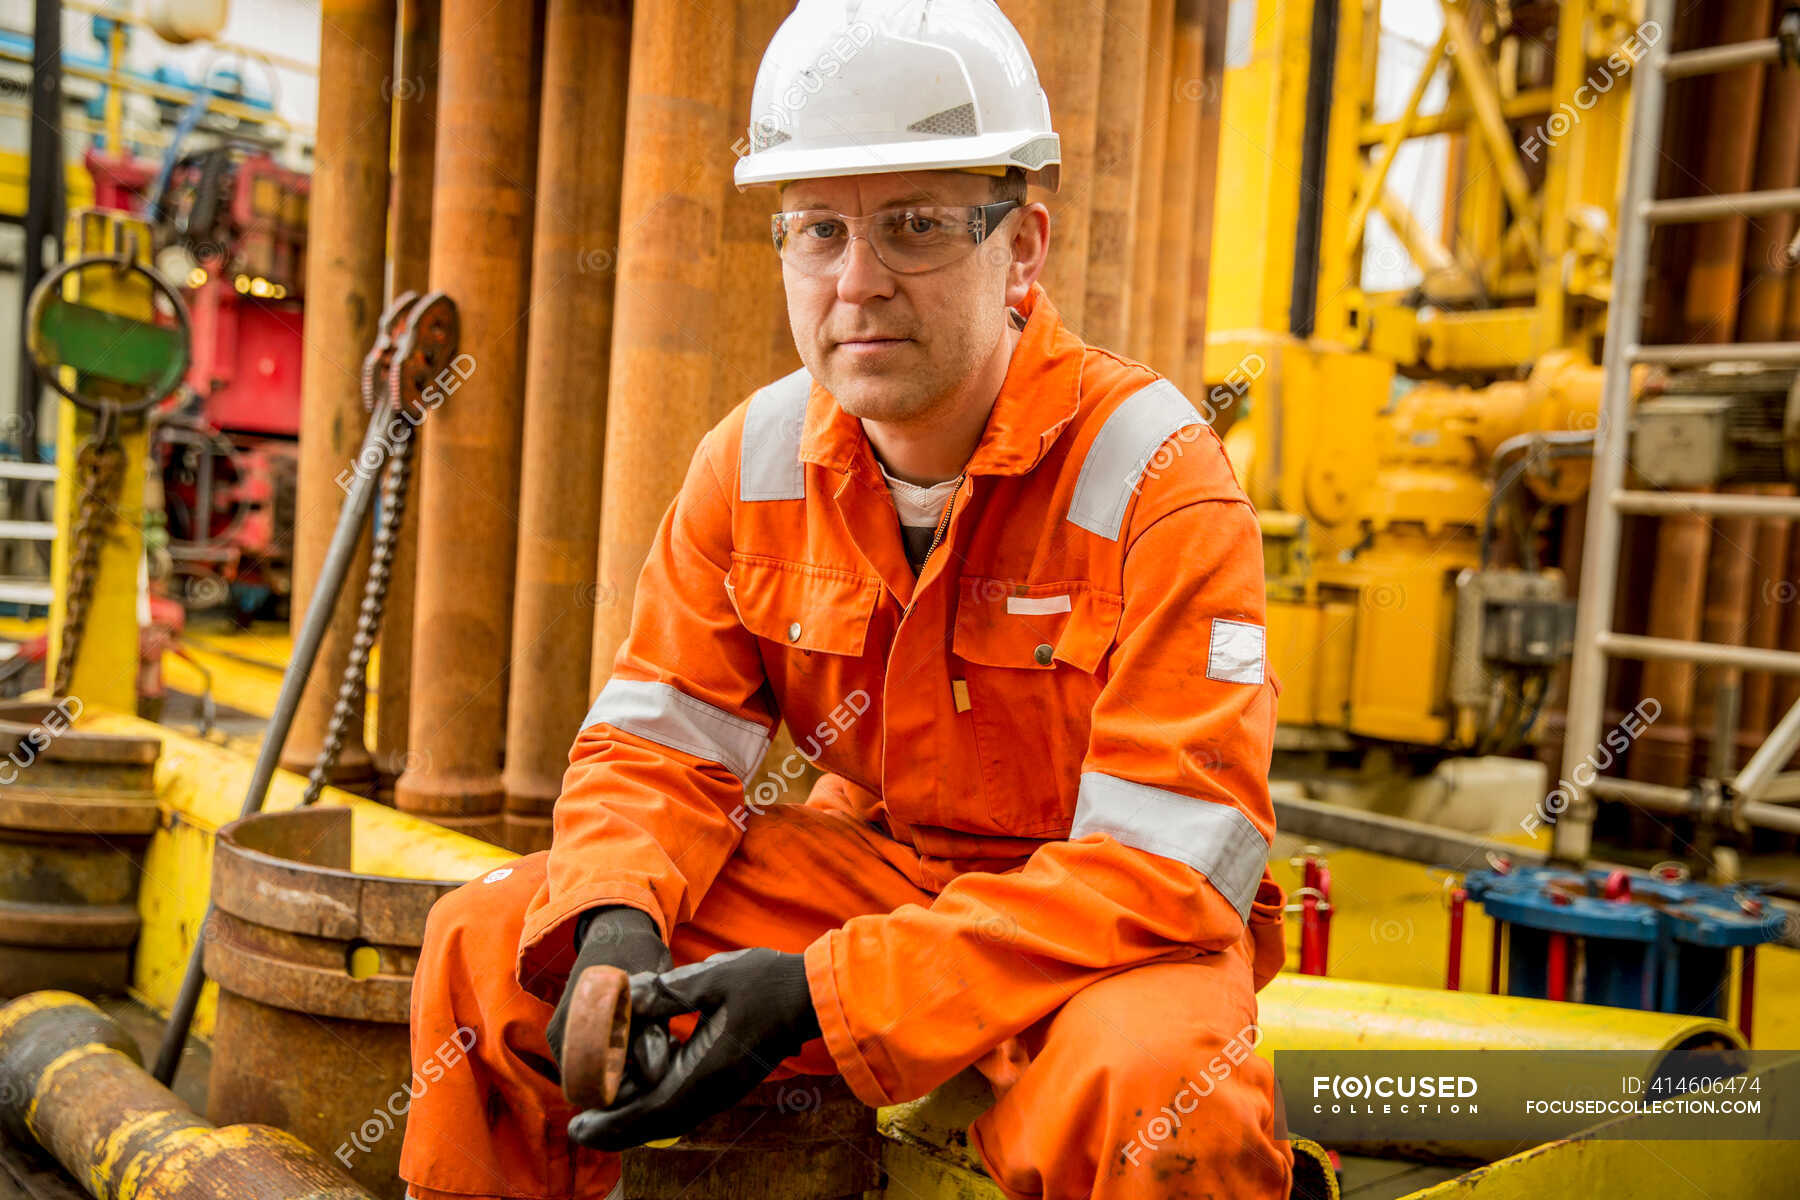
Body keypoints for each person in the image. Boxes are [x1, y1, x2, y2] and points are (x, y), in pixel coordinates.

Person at [399, 1, 1292, 1196]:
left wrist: (822, 995)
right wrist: (616, 916)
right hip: (880, 879)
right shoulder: (756, 459)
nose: (856, 284)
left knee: (1159, 1098)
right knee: (489, 947)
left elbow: (1171, 872)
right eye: (818, 230)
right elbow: (654, 748)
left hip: (1099, 932)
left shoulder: (1157, 481)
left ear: (1023, 246)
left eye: (915, 227)